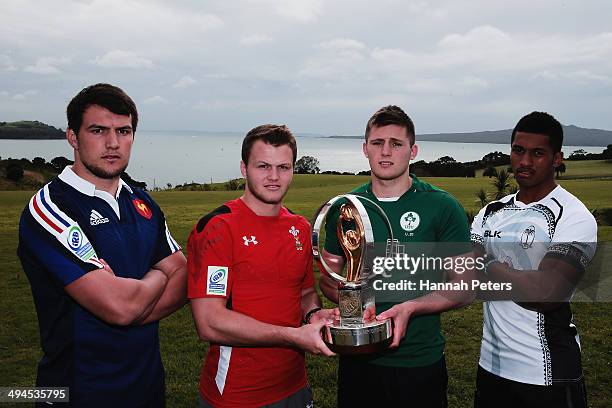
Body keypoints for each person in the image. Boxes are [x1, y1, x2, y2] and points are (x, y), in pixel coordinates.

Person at [17, 83, 187, 407]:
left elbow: (185, 278)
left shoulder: (142, 203)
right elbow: (119, 307)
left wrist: (136, 303)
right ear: (72, 137)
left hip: (147, 389)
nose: (113, 143)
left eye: (124, 131)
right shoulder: (51, 208)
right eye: (98, 130)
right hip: (78, 393)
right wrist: (158, 276)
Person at [319, 105, 474, 407]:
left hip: (418, 363)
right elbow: (328, 279)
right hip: (358, 361)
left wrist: (411, 307)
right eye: (378, 143)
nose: (385, 152)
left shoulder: (442, 206)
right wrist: (356, 304)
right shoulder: (346, 208)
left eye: (396, 144)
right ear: (365, 149)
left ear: (413, 150)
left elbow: (465, 286)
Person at [187, 124, 336, 408]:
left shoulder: (300, 227)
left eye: (283, 167)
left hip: (295, 386)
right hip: (236, 396)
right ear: (244, 168)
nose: (273, 177)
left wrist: (314, 314)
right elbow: (209, 322)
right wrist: (292, 336)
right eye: (263, 166)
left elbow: (304, 294)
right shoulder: (218, 228)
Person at [470, 111, 597, 408]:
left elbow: (546, 293)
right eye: (518, 151)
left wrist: (488, 264)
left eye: (538, 153)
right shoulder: (491, 212)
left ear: (556, 158)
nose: (525, 162)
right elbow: (461, 276)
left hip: (547, 375)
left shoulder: (574, 216)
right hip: (491, 368)